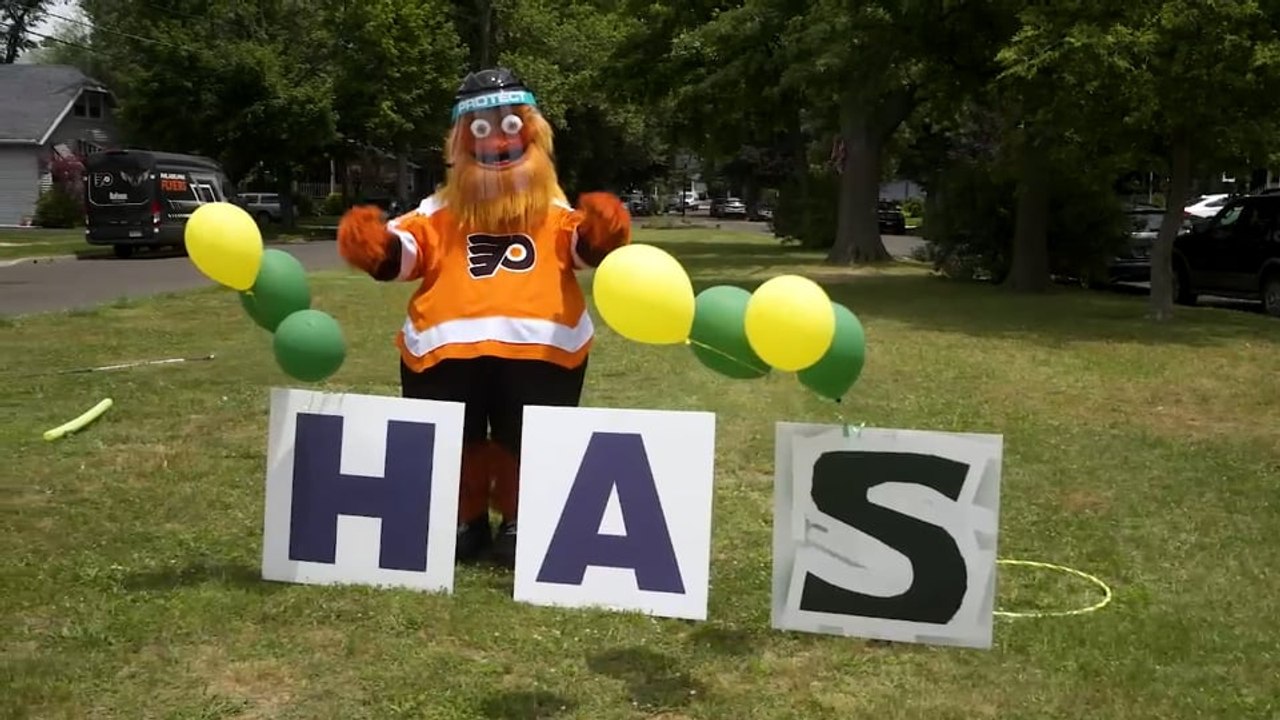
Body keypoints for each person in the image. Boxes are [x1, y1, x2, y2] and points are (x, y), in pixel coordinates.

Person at [334, 68, 632, 568]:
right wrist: (377, 246)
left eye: (510, 125)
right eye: (480, 128)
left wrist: (601, 232)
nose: (496, 139)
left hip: (542, 350)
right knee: (454, 438)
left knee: (529, 440)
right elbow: (406, 251)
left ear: (532, 133)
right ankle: (461, 520)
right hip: (447, 351)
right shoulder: (440, 210)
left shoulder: (553, 210)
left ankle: (524, 519)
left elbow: (582, 247)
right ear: (458, 142)